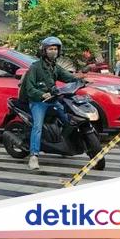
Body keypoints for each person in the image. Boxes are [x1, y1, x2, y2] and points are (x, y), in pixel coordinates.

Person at [20, 36, 78, 171]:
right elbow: (30, 88)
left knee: (68, 119)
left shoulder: (54, 67)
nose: (53, 51)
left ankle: (63, 145)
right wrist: (41, 94)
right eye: (50, 49)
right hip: (38, 102)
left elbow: (67, 76)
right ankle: (34, 156)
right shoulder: (35, 67)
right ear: (44, 51)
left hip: (52, 100)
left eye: (55, 49)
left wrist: (81, 79)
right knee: (37, 127)